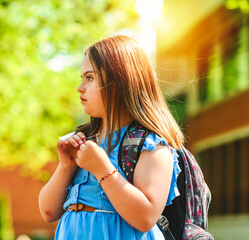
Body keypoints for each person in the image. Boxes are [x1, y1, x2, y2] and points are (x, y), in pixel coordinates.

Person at [38, 35, 184, 240]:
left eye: (89, 78)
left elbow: (146, 217)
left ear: (120, 81)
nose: (80, 87)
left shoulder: (150, 143)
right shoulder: (85, 139)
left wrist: (101, 169)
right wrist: (66, 166)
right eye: (81, 78)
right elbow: (48, 212)